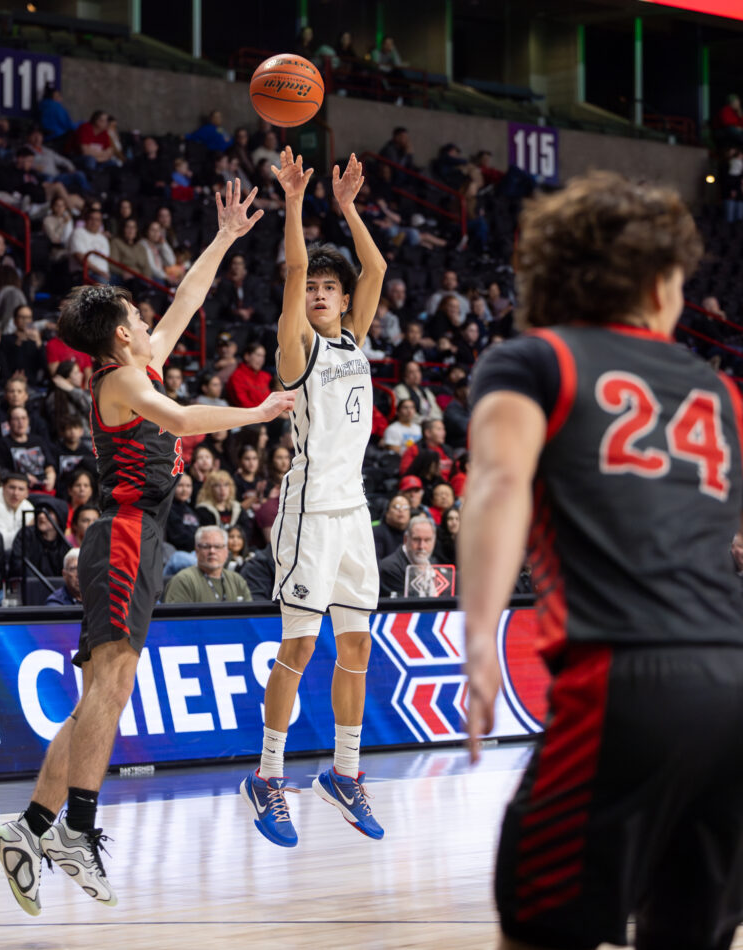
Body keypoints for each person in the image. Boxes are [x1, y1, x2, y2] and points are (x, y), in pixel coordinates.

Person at [459, 171, 743, 950]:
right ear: (660, 285)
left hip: (624, 686)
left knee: (537, 929)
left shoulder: (531, 362)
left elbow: (497, 483)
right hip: (741, 697)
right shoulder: (717, 393)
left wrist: (481, 633)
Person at [0, 179, 293, 915]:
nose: (146, 315)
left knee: (99, 698)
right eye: (135, 312)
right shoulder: (125, 379)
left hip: (134, 536)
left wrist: (224, 236)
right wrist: (259, 408)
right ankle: (78, 830)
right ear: (122, 332)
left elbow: (188, 298)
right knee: (110, 694)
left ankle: (29, 825)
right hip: (126, 533)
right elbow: (185, 420)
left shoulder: (134, 359)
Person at [241, 148, 388, 849]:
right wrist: (297, 201)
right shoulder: (296, 347)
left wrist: (352, 208)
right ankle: (268, 777)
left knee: (356, 646)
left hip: (353, 513)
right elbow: (295, 269)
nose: (324, 292)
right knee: (298, 647)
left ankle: (345, 773)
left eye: (333, 286)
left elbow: (379, 271)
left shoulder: (357, 338)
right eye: (317, 287)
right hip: (306, 513)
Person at [162, 525, 252, 603]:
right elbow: (177, 622)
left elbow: (249, 619)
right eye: (206, 546)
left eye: (217, 546)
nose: (212, 551)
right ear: (197, 550)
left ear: (226, 552)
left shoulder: (238, 581)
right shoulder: (183, 581)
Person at [378, 514, 438, 597]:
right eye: (416, 539)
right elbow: (406, 606)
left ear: (434, 541)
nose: (422, 546)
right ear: (406, 539)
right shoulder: (390, 568)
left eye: (427, 540)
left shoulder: (435, 563)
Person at [0, 471, 34, 552]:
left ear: (27, 493)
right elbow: (1, 542)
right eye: (12, 487)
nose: (16, 493)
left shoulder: (28, 506)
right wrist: (27, 529)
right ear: (3, 487)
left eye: (21, 489)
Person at [373, 494, 410, 559]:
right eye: (396, 507)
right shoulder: (376, 532)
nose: (401, 510)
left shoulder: (412, 533)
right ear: (387, 512)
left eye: (405, 508)